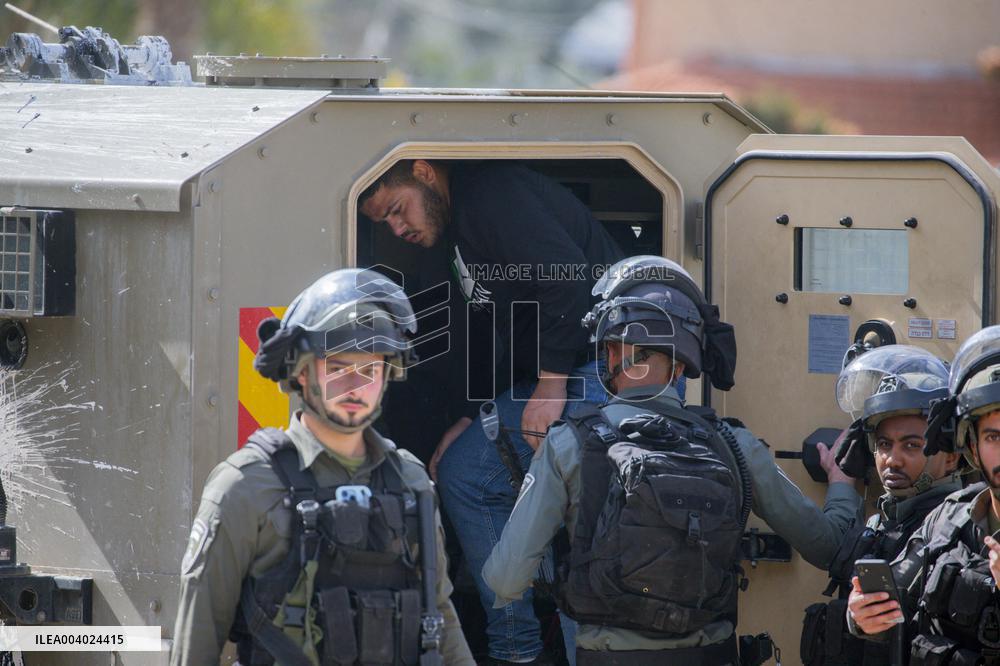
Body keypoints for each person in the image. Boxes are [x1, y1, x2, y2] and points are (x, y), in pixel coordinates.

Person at [483, 255, 863, 665]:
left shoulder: (569, 444)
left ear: (612, 354)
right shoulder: (734, 444)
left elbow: (505, 582)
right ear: (681, 366)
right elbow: (828, 547)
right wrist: (842, 486)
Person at [360, 159, 623, 664]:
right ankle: (515, 650)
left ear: (424, 172)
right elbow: (496, 334)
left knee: (579, 504)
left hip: (597, 368)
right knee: (463, 472)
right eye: (385, 223)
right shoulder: (458, 235)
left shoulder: (490, 196)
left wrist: (551, 383)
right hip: (555, 374)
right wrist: (467, 414)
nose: (398, 229)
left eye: (398, 210)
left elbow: (565, 280)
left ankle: (582, 655)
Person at [170, 268, 474, 666]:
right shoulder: (244, 487)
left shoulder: (411, 482)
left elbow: (442, 619)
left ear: (388, 375)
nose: (354, 386)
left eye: (369, 370)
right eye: (338, 367)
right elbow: (196, 645)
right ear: (301, 371)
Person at [800, 345, 962, 666]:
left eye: (912, 445)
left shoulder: (964, 530)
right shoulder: (880, 526)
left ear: (952, 456)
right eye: (884, 444)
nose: (891, 459)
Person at [848, 324, 1000, 664]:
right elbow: (894, 601)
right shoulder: (948, 518)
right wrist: (862, 615)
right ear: (971, 447)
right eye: (994, 437)